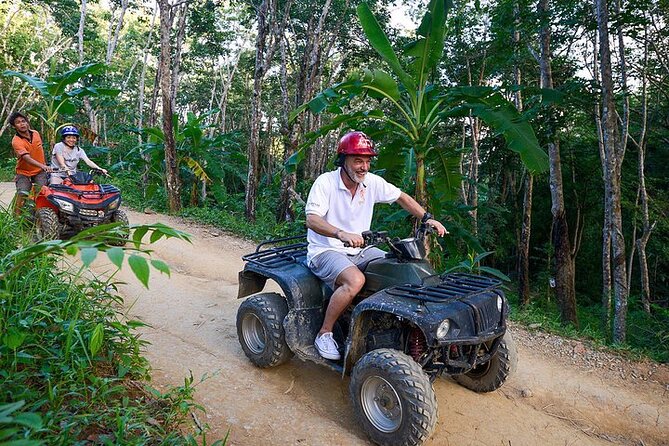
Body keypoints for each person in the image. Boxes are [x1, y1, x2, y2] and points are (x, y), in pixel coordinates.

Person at [305, 131, 447, 360]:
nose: (364, 166)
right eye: (358, 160)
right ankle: (325, 332)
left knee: (399, 267)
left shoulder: (370, 183)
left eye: (368, 161)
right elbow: (312, 219)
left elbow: (402, 197)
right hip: (326, 249)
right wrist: (340, 233)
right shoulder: (326, 182)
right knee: (355, 280)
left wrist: (426, 217)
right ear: (344, 160)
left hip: (361, 250)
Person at [9, 112, 51, 216]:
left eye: (23, 121)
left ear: (27, 122)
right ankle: (16, 218)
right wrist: (43, 166)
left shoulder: (36, 133)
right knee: (22, 193)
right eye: (18, 123)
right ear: (14, 126)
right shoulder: (16, 141)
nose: (22, 124)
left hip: (39, 172)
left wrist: (44, 165)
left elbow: (38, 151)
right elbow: (26, 158)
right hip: (23, 172)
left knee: (41, 193)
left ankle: (38, 216)